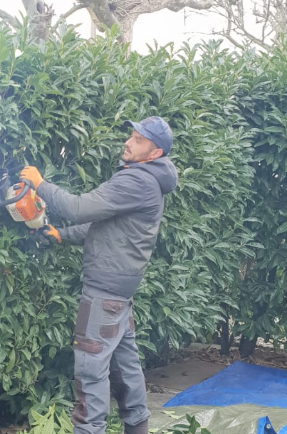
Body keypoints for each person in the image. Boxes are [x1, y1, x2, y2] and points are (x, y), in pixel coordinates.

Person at [19, 116, 179, 434]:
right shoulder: (147, 180)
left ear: (154, 152)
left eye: (137, 140)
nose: (128, 142)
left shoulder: (137, 181)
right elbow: (104, 225)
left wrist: (40, 183)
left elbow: (80, 208)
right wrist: (60, 235)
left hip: (103, 293)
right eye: (131, 135)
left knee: (91, 376)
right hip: (119, 296)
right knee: (126, 372)